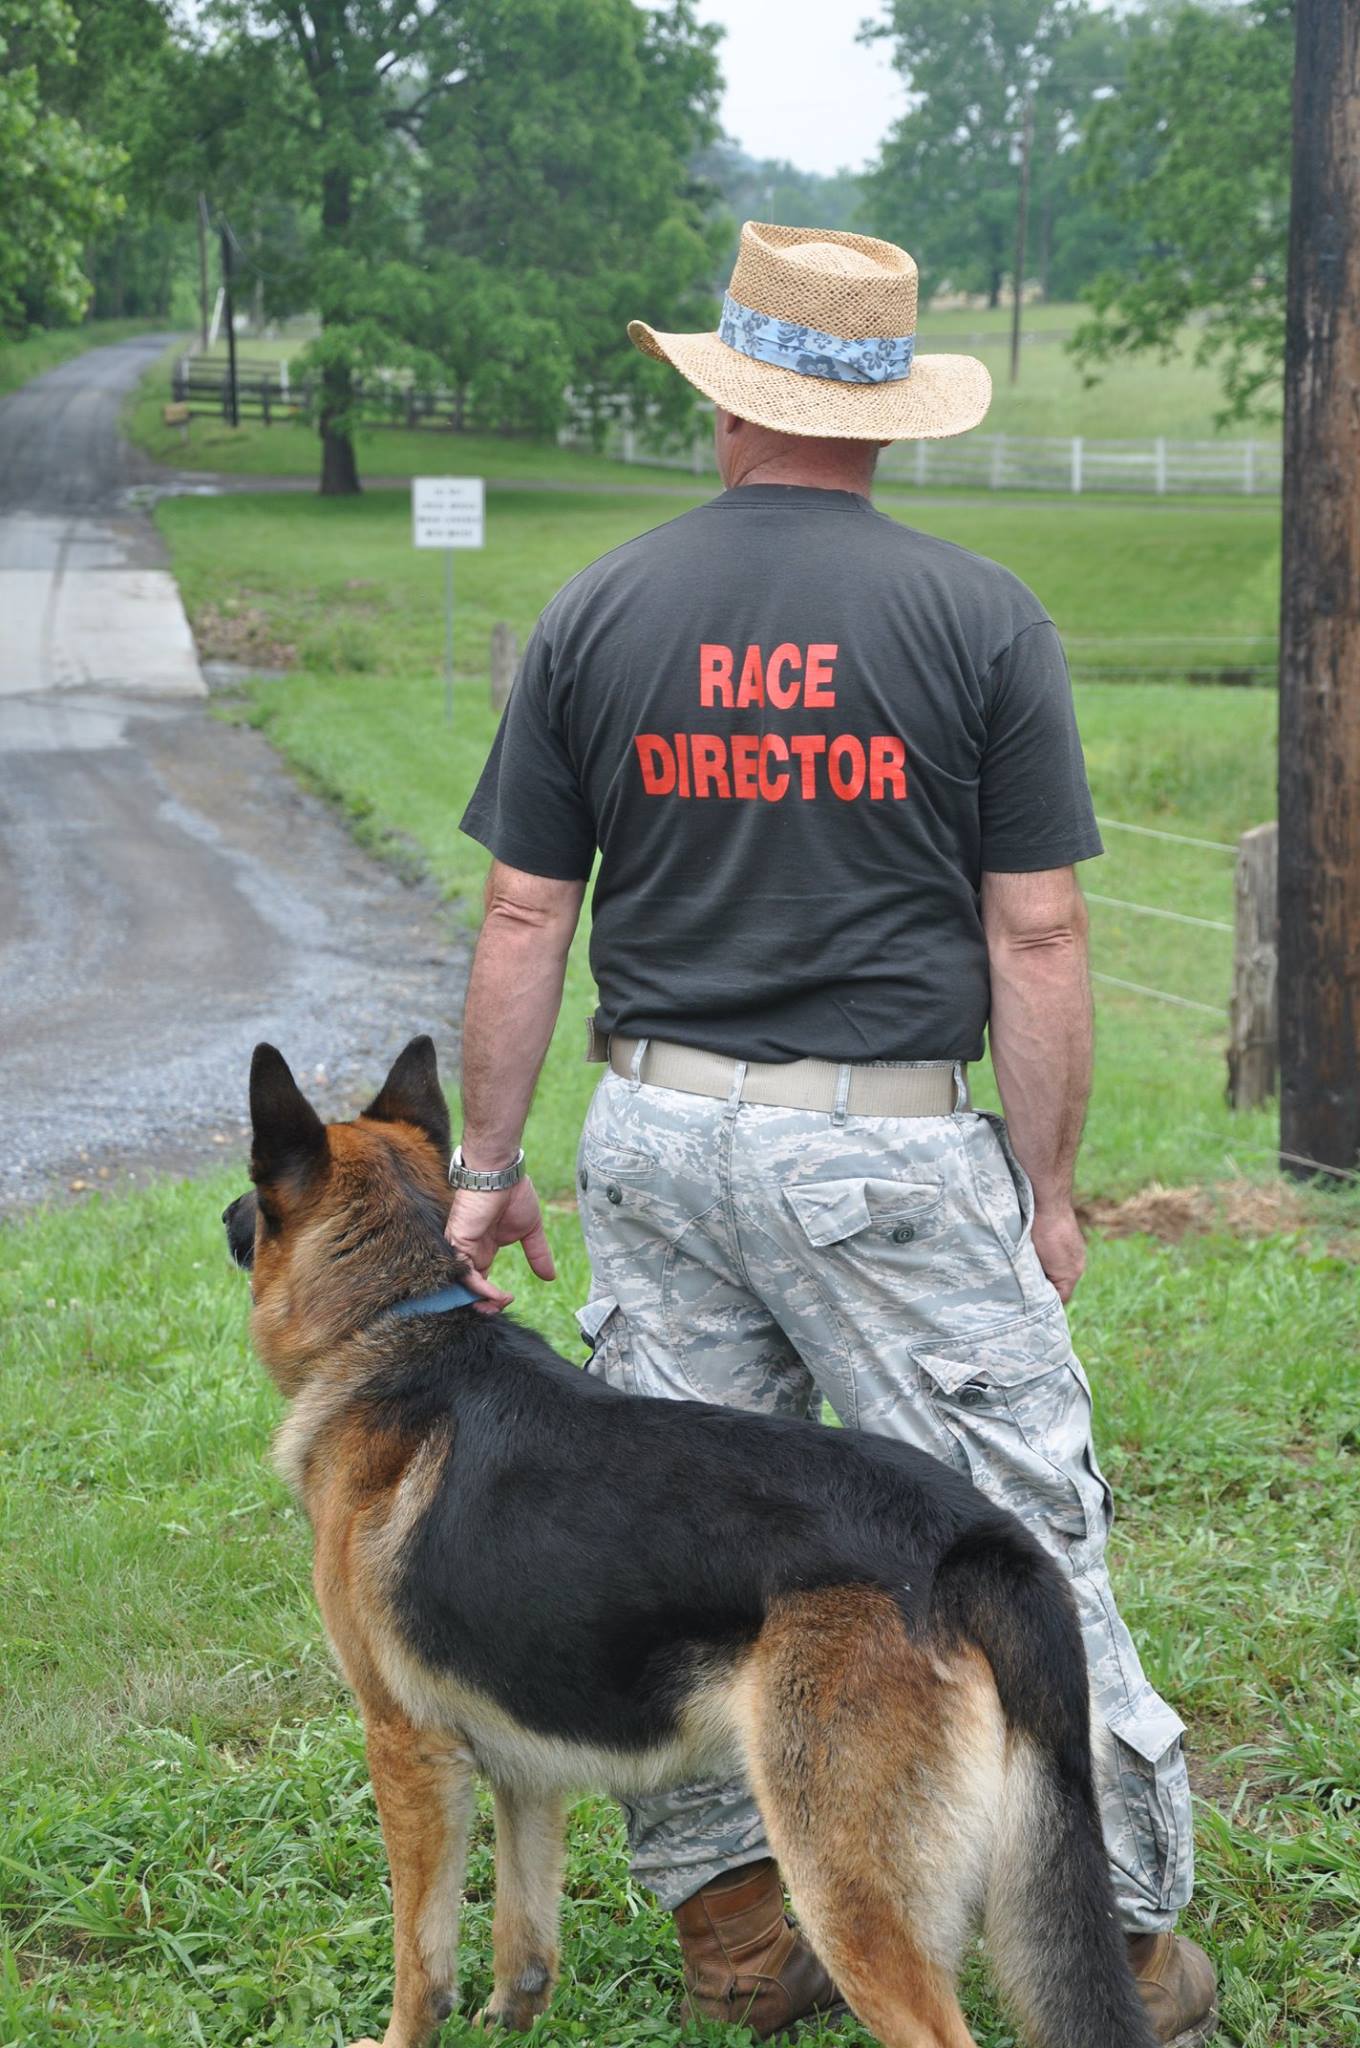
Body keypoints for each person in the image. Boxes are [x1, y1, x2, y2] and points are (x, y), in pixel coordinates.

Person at [447, 222, 1216, 2048]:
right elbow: (1035, 929)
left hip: (653, 1134)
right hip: (881, 1153)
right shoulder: (976, 617)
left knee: (675, 1529)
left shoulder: (597, 608)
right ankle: (1104, 1941)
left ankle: (737, 1926)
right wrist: (1043, 1186)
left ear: (727, 401)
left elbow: (520, 918)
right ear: (882, 420)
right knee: (1009, 1538)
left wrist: (488, 1167)